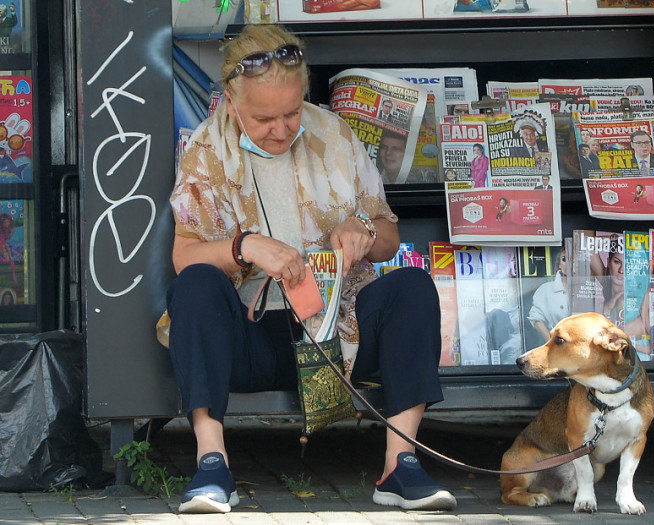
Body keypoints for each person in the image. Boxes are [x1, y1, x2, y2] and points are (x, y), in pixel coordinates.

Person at [165, 25, 455, 514]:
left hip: (339, 333)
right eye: (263, 119)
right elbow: (183, 256)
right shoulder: (205, 150)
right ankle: (212, 463)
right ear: (231, 105)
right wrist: (244, 246)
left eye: (293, 113)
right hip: (252, 338)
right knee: (195, 286)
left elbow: (388, 238)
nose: (281, 130)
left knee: (413, 286)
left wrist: (360, 228)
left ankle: (399, 465)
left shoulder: (334, 134)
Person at [589, 235, 651, 358]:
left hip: (637, 357)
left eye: (628, 265)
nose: (622, 270)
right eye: (617, 262)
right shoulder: (606, 282)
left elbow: (647, 331)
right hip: (612, 355)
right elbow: (588, 247)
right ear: (608, 262)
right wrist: (611, 240)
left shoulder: (643, 290)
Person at [526, 243, 570, 342]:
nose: (569, 263)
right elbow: (536, 317)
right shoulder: (546, 289)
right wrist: (551, 343)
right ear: (559, 264)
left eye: (573, 260)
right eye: (564, 259)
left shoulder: (586, 289)